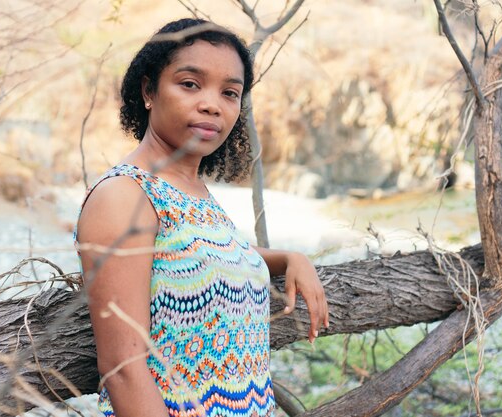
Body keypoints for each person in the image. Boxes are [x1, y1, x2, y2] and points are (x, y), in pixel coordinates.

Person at [75, 18, 329, 417]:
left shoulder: (194, 192)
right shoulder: (124, 196)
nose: (212, 103)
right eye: (190, 84)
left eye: (230, 92)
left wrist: (289, 258)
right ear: (148, 91)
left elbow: (204, 257)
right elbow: (123, 369)